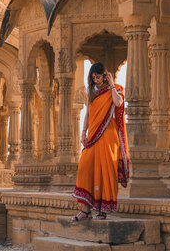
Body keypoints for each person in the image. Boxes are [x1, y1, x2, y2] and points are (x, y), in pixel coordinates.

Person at [71, 62, 129, 221]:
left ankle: (101, 211)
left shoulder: (116, 89)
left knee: (104, 171)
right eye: (93, 78)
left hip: (108, 135)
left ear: (105, 75)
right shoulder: (90, 91)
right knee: (85, 167)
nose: (95, 80)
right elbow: (88, 114)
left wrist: (110, 86)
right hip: (93, 136)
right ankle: (85, 210)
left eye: (98, 77)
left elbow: (118, 103)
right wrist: (83, 132)